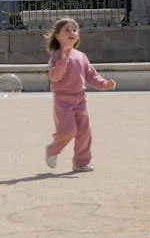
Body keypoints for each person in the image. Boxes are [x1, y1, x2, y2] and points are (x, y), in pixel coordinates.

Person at [45, 17, 116, 172]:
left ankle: (81, 162)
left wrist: (104, 84)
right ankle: (52, 150)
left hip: (80, 98)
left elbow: (91, 75)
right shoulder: (56, 56)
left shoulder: (81, 56)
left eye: (74, 30)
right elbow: (54, 77)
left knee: (85, 131)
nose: (72, 32)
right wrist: (63, 59)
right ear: (57, 35)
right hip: (62, 100)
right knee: (68, 130)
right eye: (67, 30)